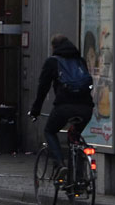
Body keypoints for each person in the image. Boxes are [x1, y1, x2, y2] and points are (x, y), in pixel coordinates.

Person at [28, 33, 94, 174]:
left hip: (64, 107)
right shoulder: (80, 61)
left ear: (54, 47)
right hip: (86, 108)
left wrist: (35, 110)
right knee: (75, 136)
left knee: (49, 131)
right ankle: (79, 176)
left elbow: (43, 88)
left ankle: (60, 164)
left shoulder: (52, 62)